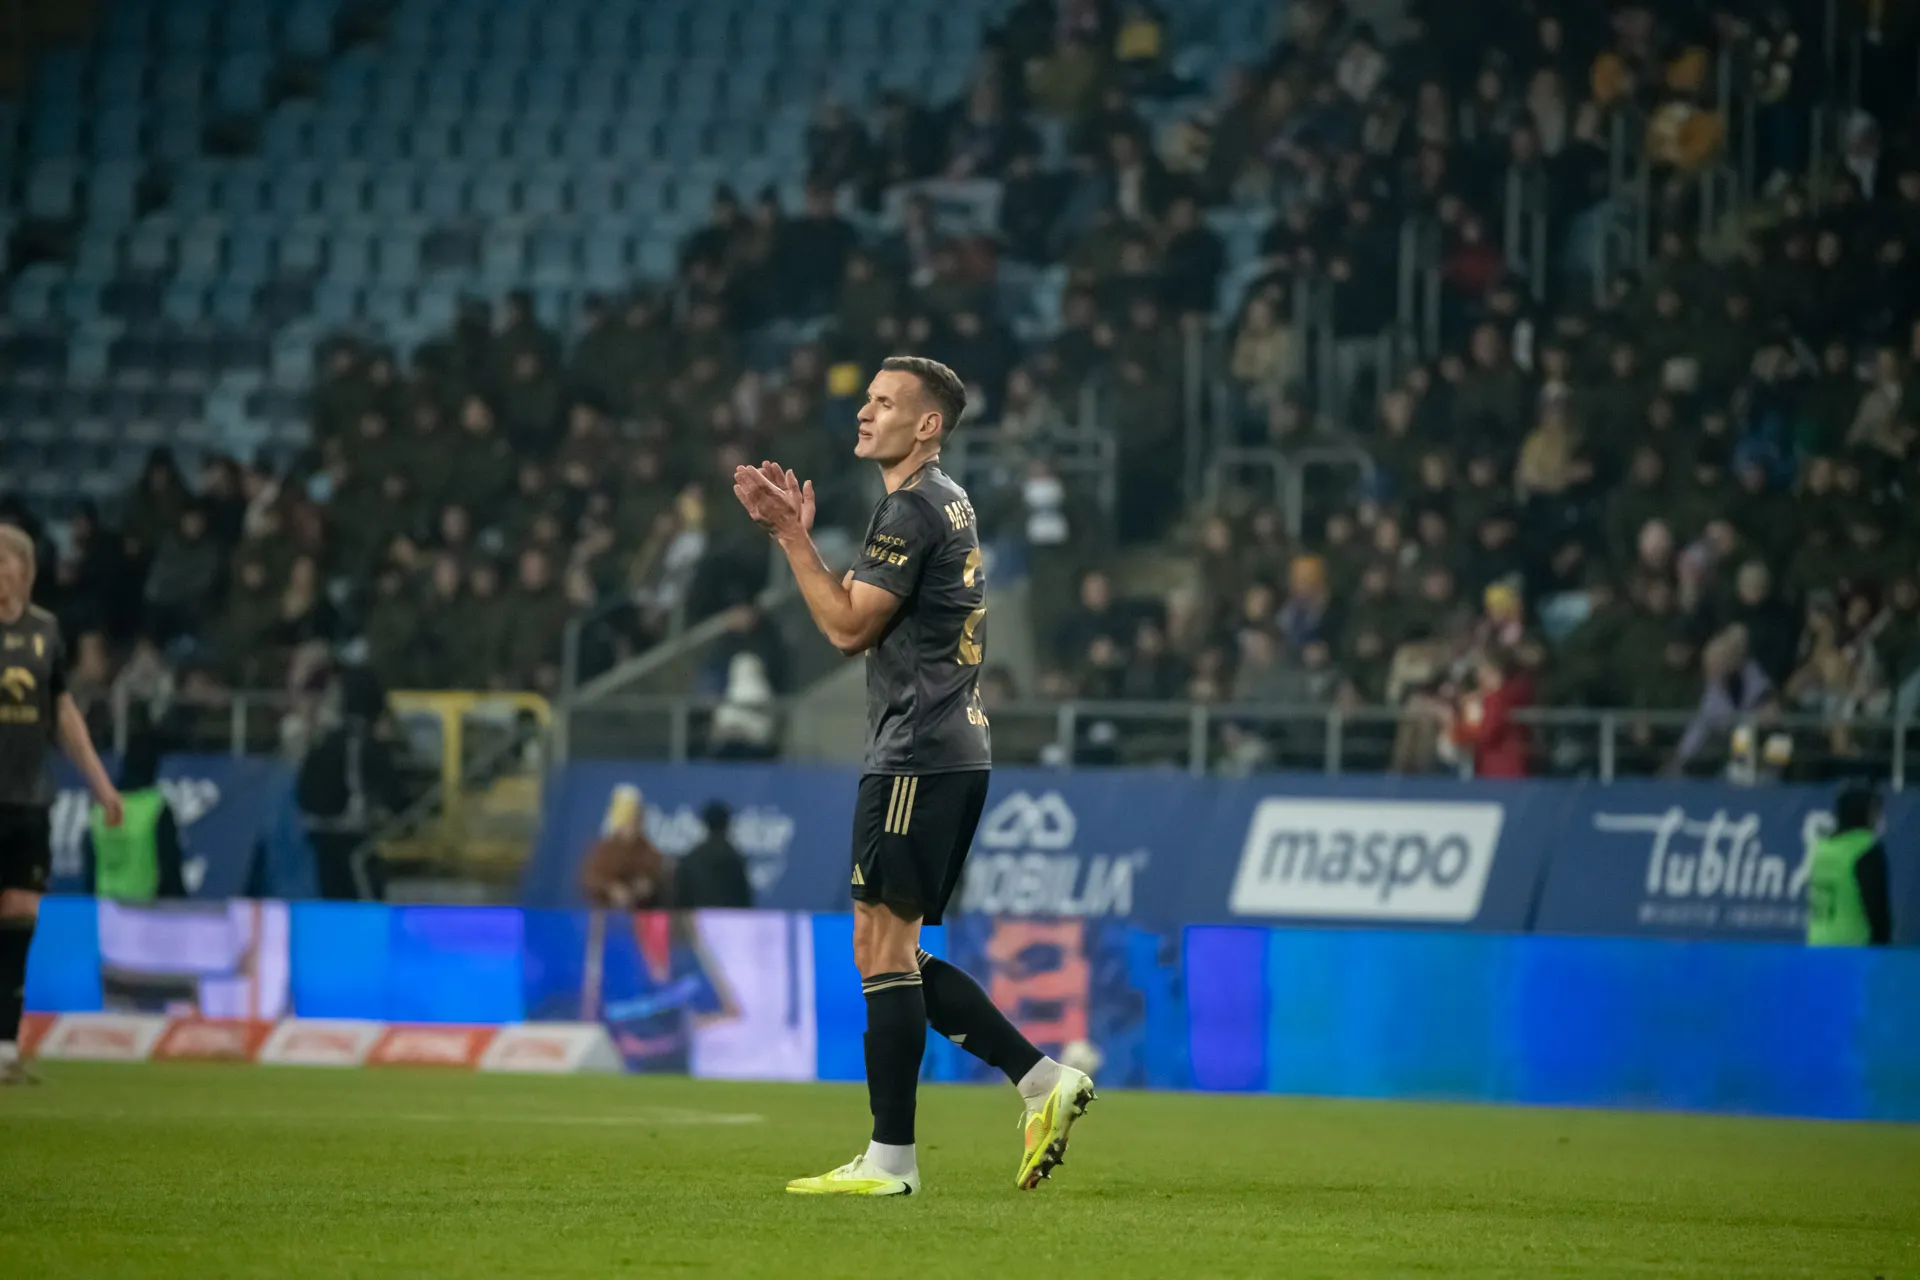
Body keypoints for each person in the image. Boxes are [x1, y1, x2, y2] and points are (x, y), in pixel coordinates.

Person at [733, 355, 1095, 1198]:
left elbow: (847, 628)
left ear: (928, 425)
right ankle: (1041, 1080)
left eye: (886, 402)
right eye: (866, 398)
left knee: (885, 948)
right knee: (883, 946)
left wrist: (790, 538)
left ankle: (892, 1160)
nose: (865, 412)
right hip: (947, 747)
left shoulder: (911, 506)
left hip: (917, 753)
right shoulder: (945, 498)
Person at [0, 524, 123, 1085]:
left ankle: (5, 1049)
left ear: (25, 570)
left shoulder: (46, 631)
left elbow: (64, 715)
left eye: (5, 562)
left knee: (19, 921)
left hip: (29, 800)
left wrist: (101, 784)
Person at [83, 729, 187, 902]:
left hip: (105, 907)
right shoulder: (155, 808)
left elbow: (90, 868)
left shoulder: (101, 808)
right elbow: (169, 866)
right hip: (145, 909)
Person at [1806, 784, 1895, 947]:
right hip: (1853, 947)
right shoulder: (1865, 850)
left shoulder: (1822, 848)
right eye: (1874, 811)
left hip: (1816, 943)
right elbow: (1877, 910)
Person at [579, 784, 669, 910]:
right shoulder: (603, 850)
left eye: (635, 820)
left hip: (640, 914)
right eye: (627, 821)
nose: (631, 826)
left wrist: (648, 885)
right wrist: (610, 888)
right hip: (607, 913)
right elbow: (589, 879)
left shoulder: (649, 851)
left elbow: (659, 878)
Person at [674, 801, 754, 909]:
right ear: (727, 824)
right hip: (729, 918)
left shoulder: (690, 859)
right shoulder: (736, 859)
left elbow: (681, 901)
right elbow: (745, 902)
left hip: (698, 918)